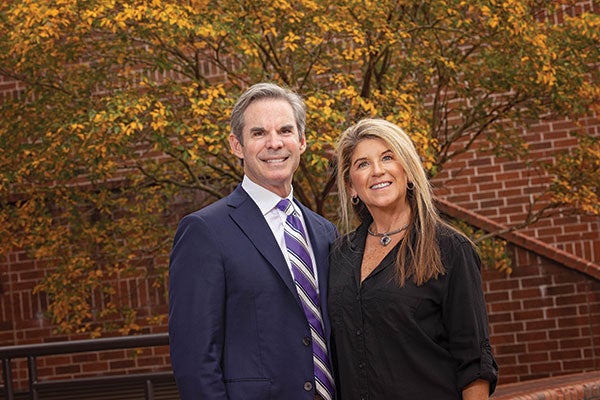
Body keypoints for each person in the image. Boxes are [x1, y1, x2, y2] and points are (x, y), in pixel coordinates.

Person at [168, 82, 338, 400]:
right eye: (259, 133)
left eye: (285, 131)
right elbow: (194, 359)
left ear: (301, 141)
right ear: (237, 145)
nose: (274, 144)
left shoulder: (324, 232)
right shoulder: (204, 232)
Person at [329, 118, 498, 400]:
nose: (377, 171)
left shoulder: (449, 249)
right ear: (351, 187)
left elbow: (474, 362)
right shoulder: (339, 255)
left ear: (407, 171)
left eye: (387, 157)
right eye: (363, 164)